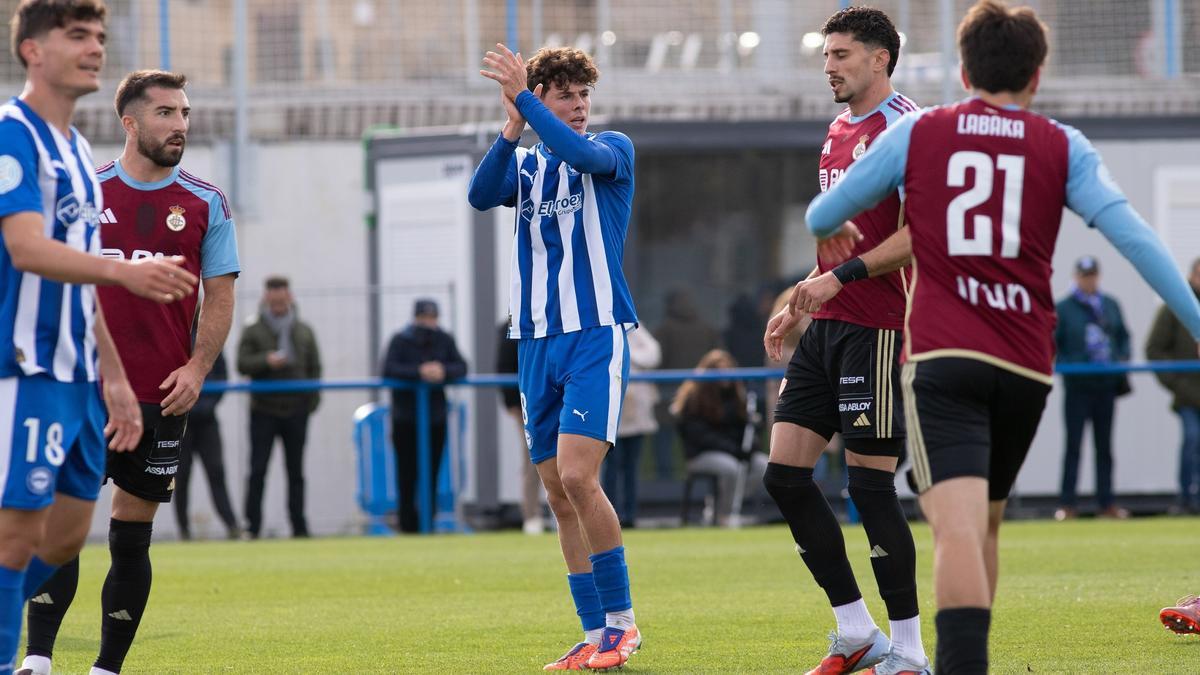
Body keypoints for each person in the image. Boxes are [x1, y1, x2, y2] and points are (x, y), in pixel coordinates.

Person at [801, 1, 1200, 670]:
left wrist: (825, 226)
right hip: (1024, 362)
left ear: (962, 70)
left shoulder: (920, 132)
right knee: (984, 522)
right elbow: (1139, 242)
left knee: (956, 532)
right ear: (1037, 76)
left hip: (945, 355)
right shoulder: (1062, 144)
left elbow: (826, 208)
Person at [20, 68, 239, 675]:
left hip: (160, 396)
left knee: (131, 534)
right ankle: (37, 659)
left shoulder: (206, 201)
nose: (181, 125)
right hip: (81, 391)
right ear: (130, 122)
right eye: (167, 113)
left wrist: (197, 367)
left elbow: (219, 296)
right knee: (61, 527)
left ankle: (105, 668)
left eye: (186, 113)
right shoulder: (85, 195)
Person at [0, 4, 197, 672]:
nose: (93, 49)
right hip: (23, 368)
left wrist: (111, 376)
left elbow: (83, 289)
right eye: (76, 36)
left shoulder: (80, 154)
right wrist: (128, 272)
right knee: (18, 533)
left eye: (99, 38)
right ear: (32, 50)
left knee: (65, 535)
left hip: (81, 375)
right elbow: (26, 248)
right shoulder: (12, 133)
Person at [759, 7, 929, 674]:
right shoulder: (834, 132)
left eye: (841, 55)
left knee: (870, 489)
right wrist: (802, 294)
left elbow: (922, 235)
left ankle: (911, 651)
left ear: (881, 58)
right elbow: (839, 240)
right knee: (784, 477)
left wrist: (842, 279)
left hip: (882, 330)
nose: (828, 66)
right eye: (826, 55)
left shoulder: (909, 128)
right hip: (827, 327)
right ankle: (855, 631)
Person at [469, 44, 642, 671]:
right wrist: (513, 123)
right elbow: (480, 193)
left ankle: (623, 624)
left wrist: (525, 102)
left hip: (595, 332)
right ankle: (594, 633)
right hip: (536, 340)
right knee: (556, 493)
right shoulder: (528, 163)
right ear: (542, 99)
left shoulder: (612, 150)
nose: (578, 106)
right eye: (564, 95)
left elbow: (578, 153)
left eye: (582, 95)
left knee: (576, 475)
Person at [237, 276, 321, 539]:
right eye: (273, 298)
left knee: (296, 471)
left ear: (290, 298)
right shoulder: (252, 329)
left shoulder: (304, 329)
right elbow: (242, 363)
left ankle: (299, 526)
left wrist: (310, 404)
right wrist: (266, 361)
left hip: (297, 410)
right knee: (258, 469)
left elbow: (315, 368)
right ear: (266, 298)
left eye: (282, 297)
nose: (278, 302)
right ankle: (253, 526)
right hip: (263, 410)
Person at [1053, 256, 1130, 520]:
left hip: (1105, 386)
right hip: (1077, 387)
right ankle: (1067, 504)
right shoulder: (1063, 308)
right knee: (1073, 446)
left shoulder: (1109, 305)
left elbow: (1123, 337)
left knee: (1104, 447)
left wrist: (1120, 358)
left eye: (1092, 275)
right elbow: (1054, 344)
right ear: (1076, 277)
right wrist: (1071, 364)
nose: (1089, 280)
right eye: (1084, 276)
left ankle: (1106, 503)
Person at [381, 299, 468, 534]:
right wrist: (419, 372)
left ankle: (428, 525)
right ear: (415, 317)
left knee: (431, 474)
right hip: (405, 418)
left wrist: (442, 371)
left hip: (435, 418)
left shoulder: (444, 339)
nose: (429, 323)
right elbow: (388, 369)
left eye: (432, 318)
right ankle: (407, 526)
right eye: (425, 318)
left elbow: (461, 366)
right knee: (406, 474)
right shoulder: (400, 340)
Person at [672, 350, 767, 526]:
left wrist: (751, 444)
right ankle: (723, 516)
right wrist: (732, 449)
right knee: (731, 467)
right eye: (719, 371)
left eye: (728, 370)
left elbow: (743, 431)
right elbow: (699, 436)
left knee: (762, 464)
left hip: (733, 453)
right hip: (701, 455)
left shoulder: (737, 396)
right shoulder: (694, 398)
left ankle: (720, 504)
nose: (725, 376)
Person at [1146, 258, 1200, 515]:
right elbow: (1154, 350)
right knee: (1192, 440)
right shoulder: (1175, 307)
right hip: (1188, 394)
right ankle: (1185, 497)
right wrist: (1178, 384)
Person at [652, 288, 720, 480]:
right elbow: (719, 357)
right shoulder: (706, 328)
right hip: (700, 395)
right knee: (700, 441)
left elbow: (655, 361)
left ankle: (664, 484)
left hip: (670, 395)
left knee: (664, 442)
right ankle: (704, 487)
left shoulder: (664, 329)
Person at [174, 349, 240, 540]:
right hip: (180, 420)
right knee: (181, 476)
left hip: (207, 420)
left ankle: (232, 525)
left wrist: (207, 405)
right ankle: (184, 530)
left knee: (216, 472)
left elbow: (222, 375)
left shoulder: (209, 337)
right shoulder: (178, 333)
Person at [603, 326, 661, 528]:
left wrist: (628, 353)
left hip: (636, 416)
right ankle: (609, 516)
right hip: (611, 415)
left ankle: (630, 515)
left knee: (630, 468)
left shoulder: (632, 328)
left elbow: (654, 354)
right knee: (610, 468)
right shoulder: (602, 329)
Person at [496, 320, 546, 534]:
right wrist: (512, 403)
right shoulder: (512, 324)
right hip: (529, 402)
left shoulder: (561, 317)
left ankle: (570, 513)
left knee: (573, 457)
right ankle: (532, 515)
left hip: (561, 397)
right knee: (533, 459)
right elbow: (504, 365)